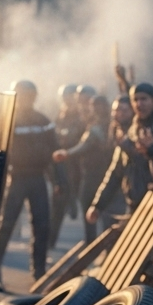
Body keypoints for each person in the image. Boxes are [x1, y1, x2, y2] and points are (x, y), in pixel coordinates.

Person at [0, 80, 56, 290]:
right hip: (16, 178)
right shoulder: (7, 120)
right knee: (6, 225)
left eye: (29, 96)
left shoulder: (43, 121)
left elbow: (55, 152)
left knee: (42, 225)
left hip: (38, 178)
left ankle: (39, 273)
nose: (26, 100)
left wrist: (59, 181)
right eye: (22, 95)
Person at [87, 82, 153, 226]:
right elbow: (116, 171)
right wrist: (98, 205)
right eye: (135, 99)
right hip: (136, 202)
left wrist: (152, 149)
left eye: (144, 99)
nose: (139, 104)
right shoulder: (133, 131)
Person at [54, 94, 114, 244]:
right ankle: (93, 243)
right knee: (90, 207)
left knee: (97, 208)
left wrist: (67, 154)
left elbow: (84, 145)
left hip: (98, 173)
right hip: (90, 172)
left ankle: (99, 244)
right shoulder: (93, 123)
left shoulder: (103, 127)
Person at [49, 84, 83, 248]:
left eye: (70, 97)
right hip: (62, 163)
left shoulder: (82, 116)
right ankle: (50, 242)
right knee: (58, 204)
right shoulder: (60, 116)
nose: (68, 101)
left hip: (78, 163)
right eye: (65, 97)